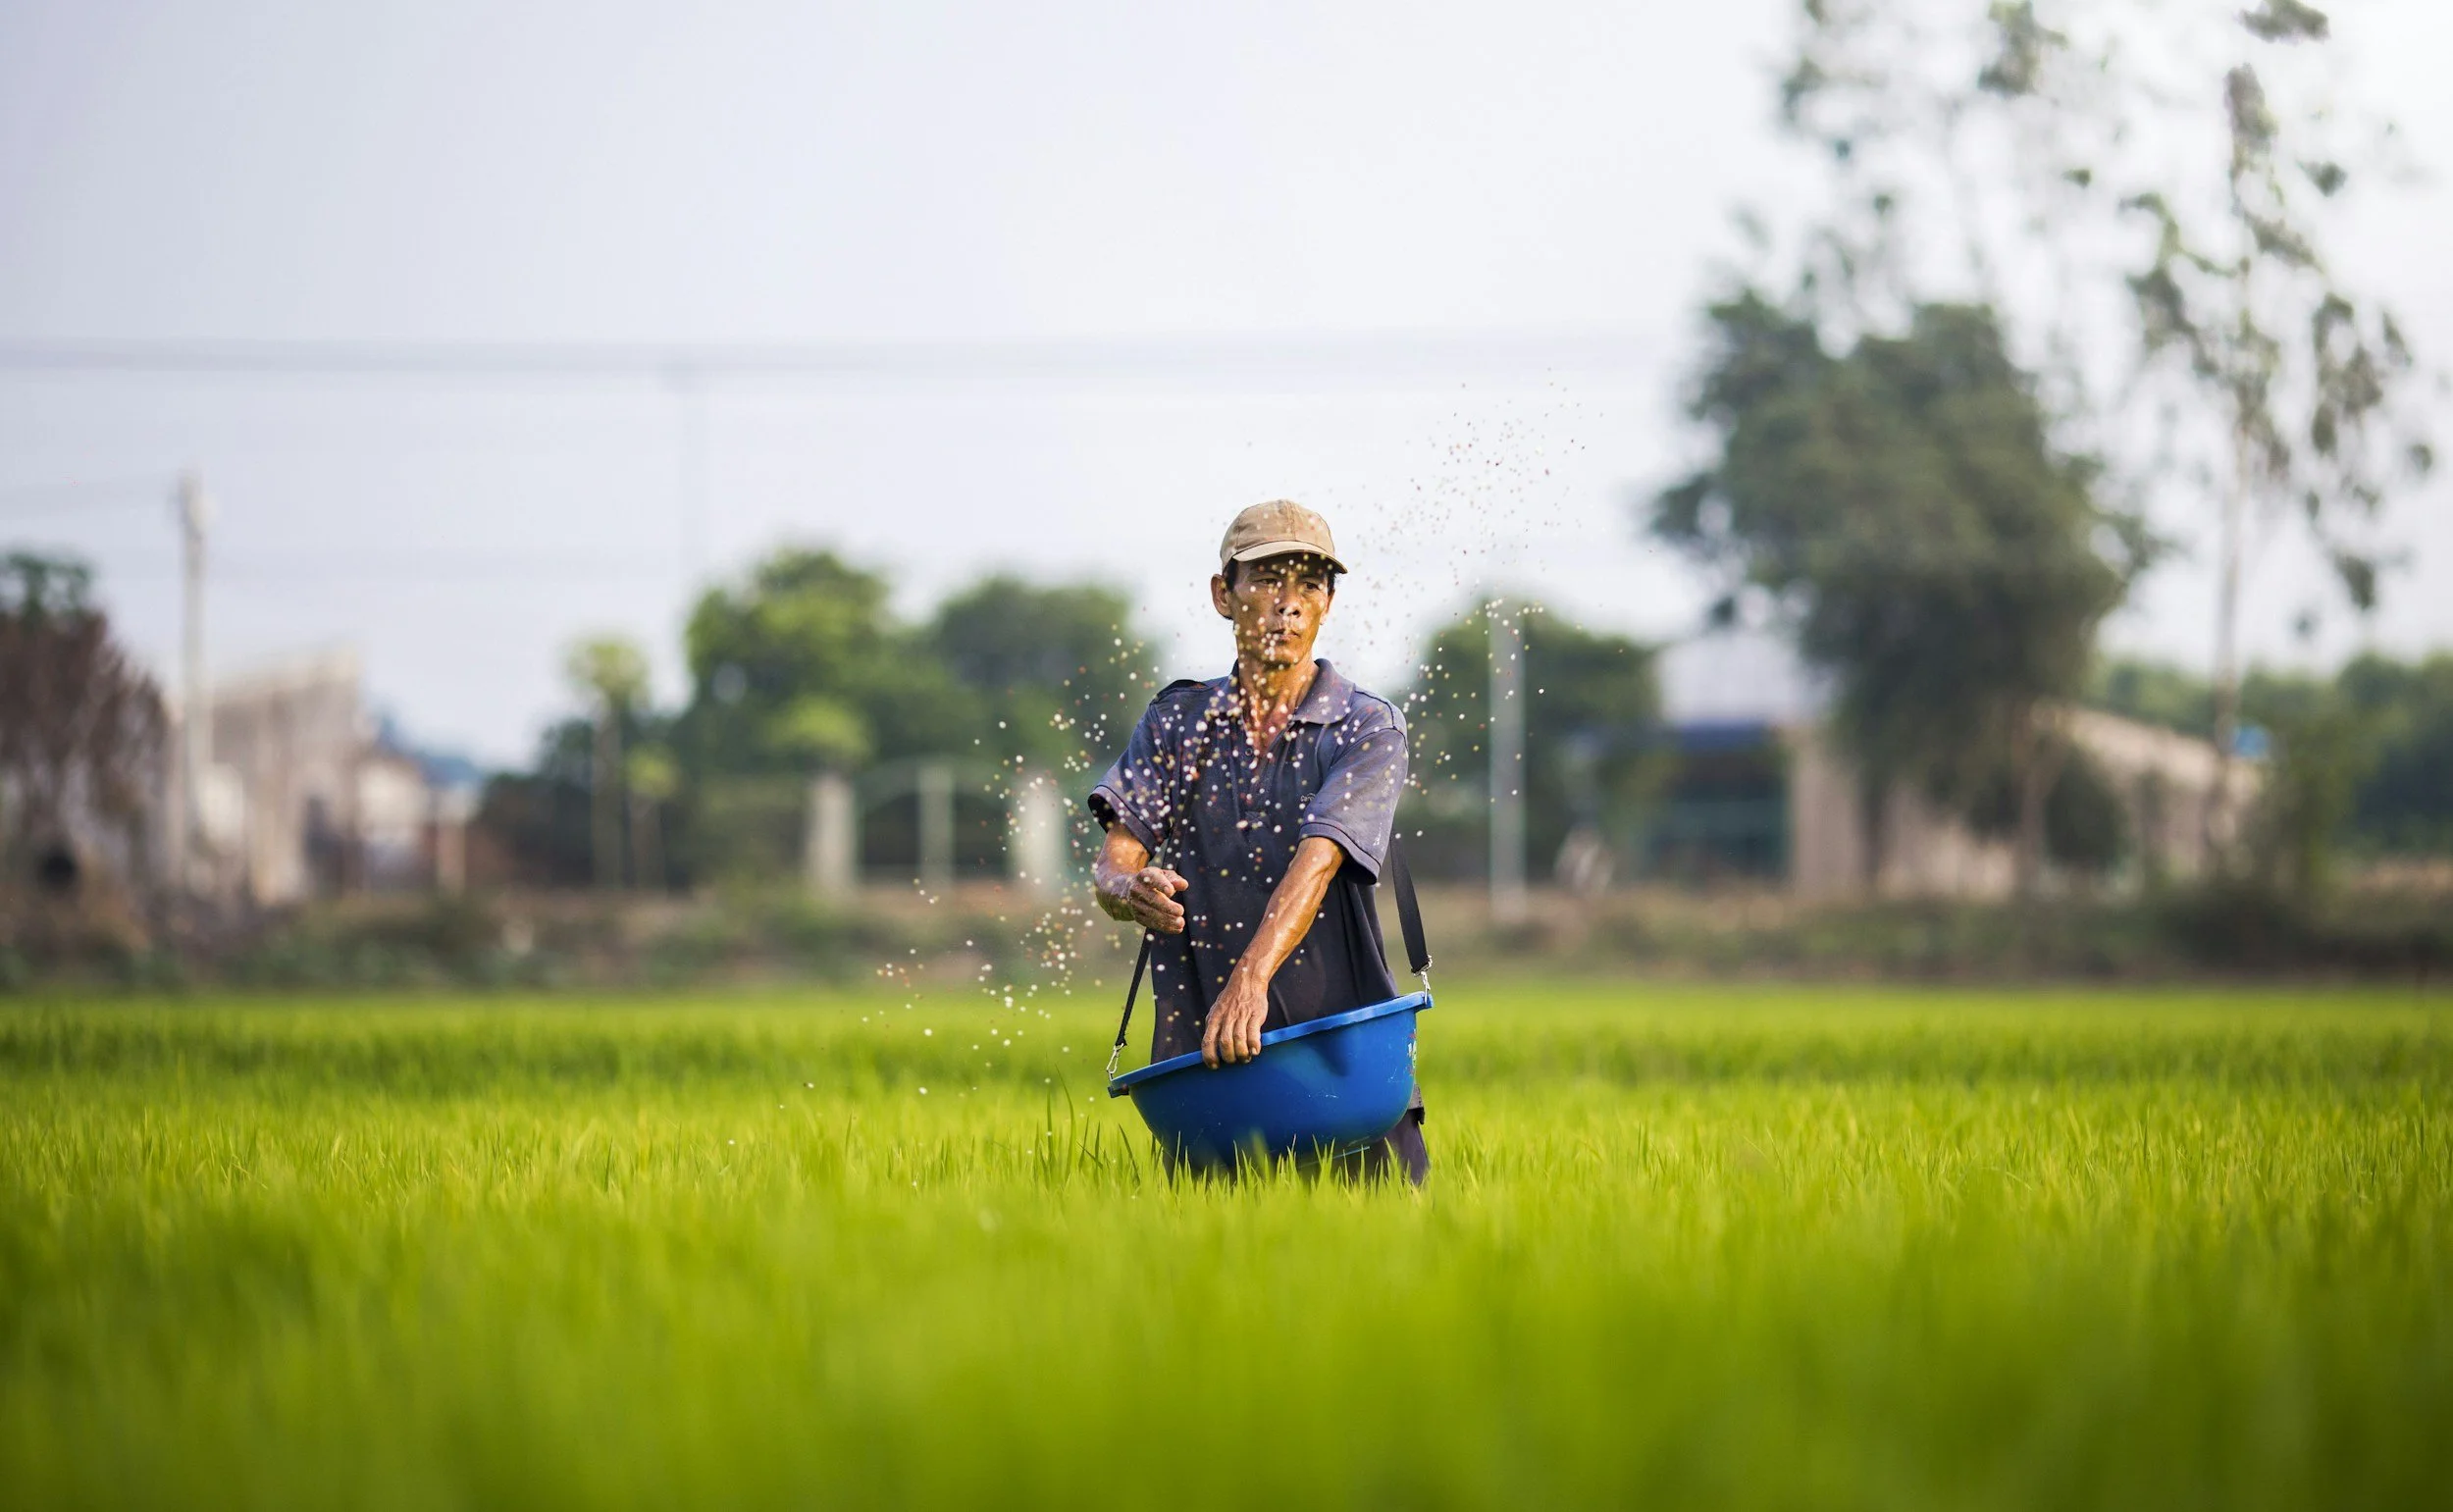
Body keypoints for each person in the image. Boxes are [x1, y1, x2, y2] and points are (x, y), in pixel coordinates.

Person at [1086, 500, 1427, 1183]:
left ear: (1329, 603)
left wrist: (1251, 978)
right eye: (1268, 581)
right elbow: (1113, 860)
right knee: (1220, 1279)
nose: (1288, 605)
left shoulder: (1364, 727)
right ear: (1223, 594)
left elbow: (1319, 859)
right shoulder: (1177, 724)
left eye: (1309, 585)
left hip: (1347, 1063)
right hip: (1210, 1073)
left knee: (1392, 1275)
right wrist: (1131, 889)